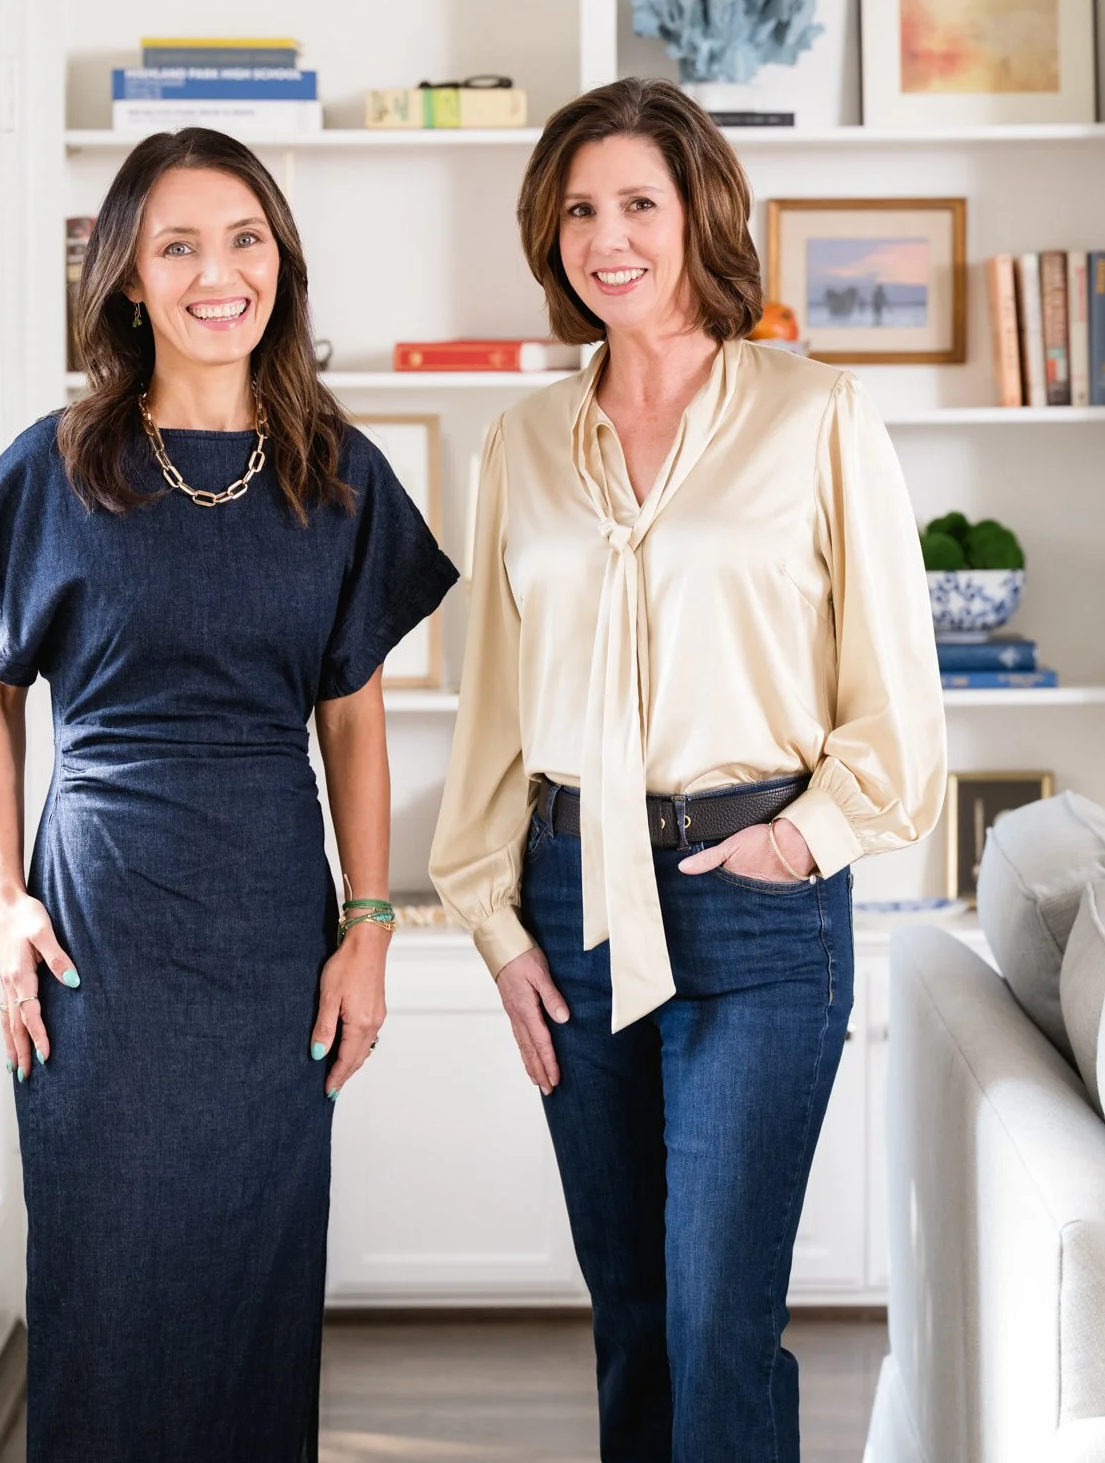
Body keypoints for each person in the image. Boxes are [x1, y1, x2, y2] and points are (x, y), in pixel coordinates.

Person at [430, 78, 945, 1462]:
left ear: (698, 213)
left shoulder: (818, 413)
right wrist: (492, 922)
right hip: (570, 892)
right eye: (580, 209)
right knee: (637, 1316)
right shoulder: (524, 441)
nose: (609, 237)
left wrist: (804, 838)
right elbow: (492, 703)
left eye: (638, 204)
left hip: (755, 897)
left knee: (720, 1315)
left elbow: (896, 697)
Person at [0, 127, 458, 1463]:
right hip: (96, 932)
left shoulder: (341, 478)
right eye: (177, 245)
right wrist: (0, 903)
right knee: (106, 1280)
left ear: (280, 259)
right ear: (126, 280)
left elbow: (352, 721)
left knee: (254, 1279)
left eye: (244, 239)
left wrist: (371, 924)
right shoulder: (50, 467)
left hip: (271, 932)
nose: (217, 272)